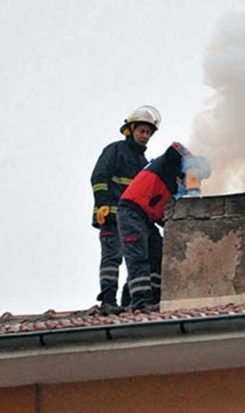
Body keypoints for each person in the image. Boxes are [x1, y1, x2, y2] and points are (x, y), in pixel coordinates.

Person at [117, 142, 211, 313]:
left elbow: (166, 214)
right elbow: (175, 146)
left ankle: (148, 299)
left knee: (157, 254)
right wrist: (192, 166)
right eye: (200, 174)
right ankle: (140, 303)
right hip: (131, 210)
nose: (198, 179)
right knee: (138, 257)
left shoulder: (176, 185)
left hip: (146, 218)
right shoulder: (171, 163)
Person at [90, 105, 161, 315]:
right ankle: (108, 302)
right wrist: (102, 204)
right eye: (141, 131)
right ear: (130, 130)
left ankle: (136, 299)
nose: (145, 136)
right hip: (111, 216)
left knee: (152, 251)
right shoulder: (115, 150)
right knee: (113, 257)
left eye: (148, 132)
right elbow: (99, 177)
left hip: (137, 219)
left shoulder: (144, 162)